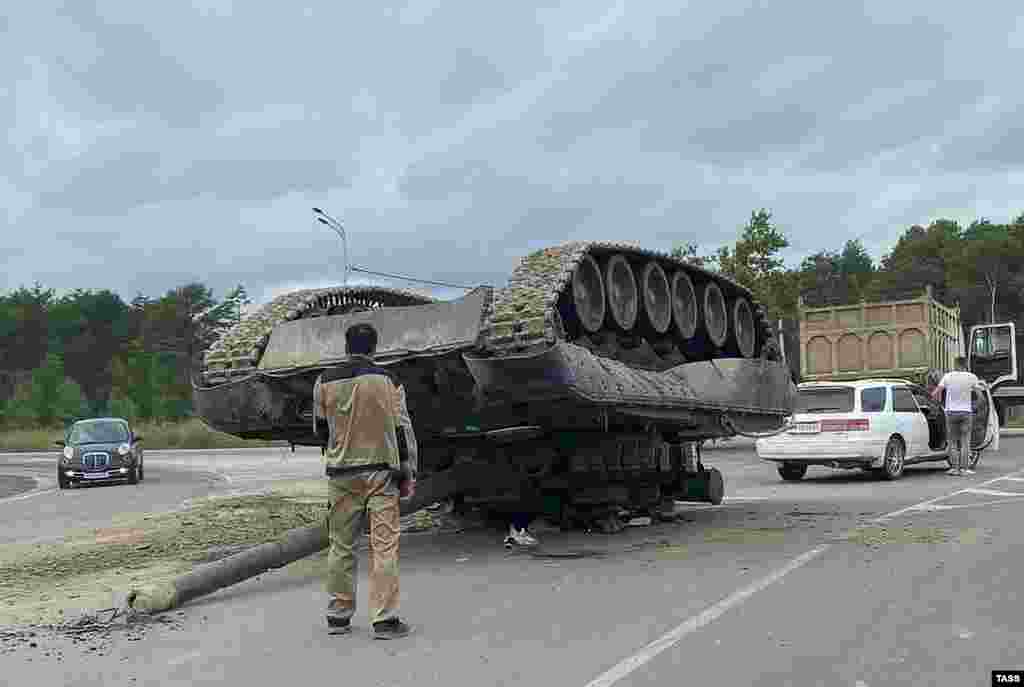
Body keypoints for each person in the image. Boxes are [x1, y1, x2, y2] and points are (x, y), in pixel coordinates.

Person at [313, 322, 418, 639]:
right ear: (374, 348)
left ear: (346, 347)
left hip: (341, 474)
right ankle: (384, 620)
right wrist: (408, 471)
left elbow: (320, 430)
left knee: (341, 545)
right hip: (381, 473)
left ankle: (338, 616)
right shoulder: (389, 380)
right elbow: (402, 429)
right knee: (384, 546)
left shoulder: (323, 381)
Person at [931, 356, 979, 476]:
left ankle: (954, 468)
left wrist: (938, 404)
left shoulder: (948, 376)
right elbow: (980, 395)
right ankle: (964, 469)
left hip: (951, 412)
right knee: (965, 441)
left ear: (955, 365)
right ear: (965, 365)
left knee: (952, 441)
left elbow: (936, 393)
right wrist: (975, 407)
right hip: (966, 412)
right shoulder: (971, 377)